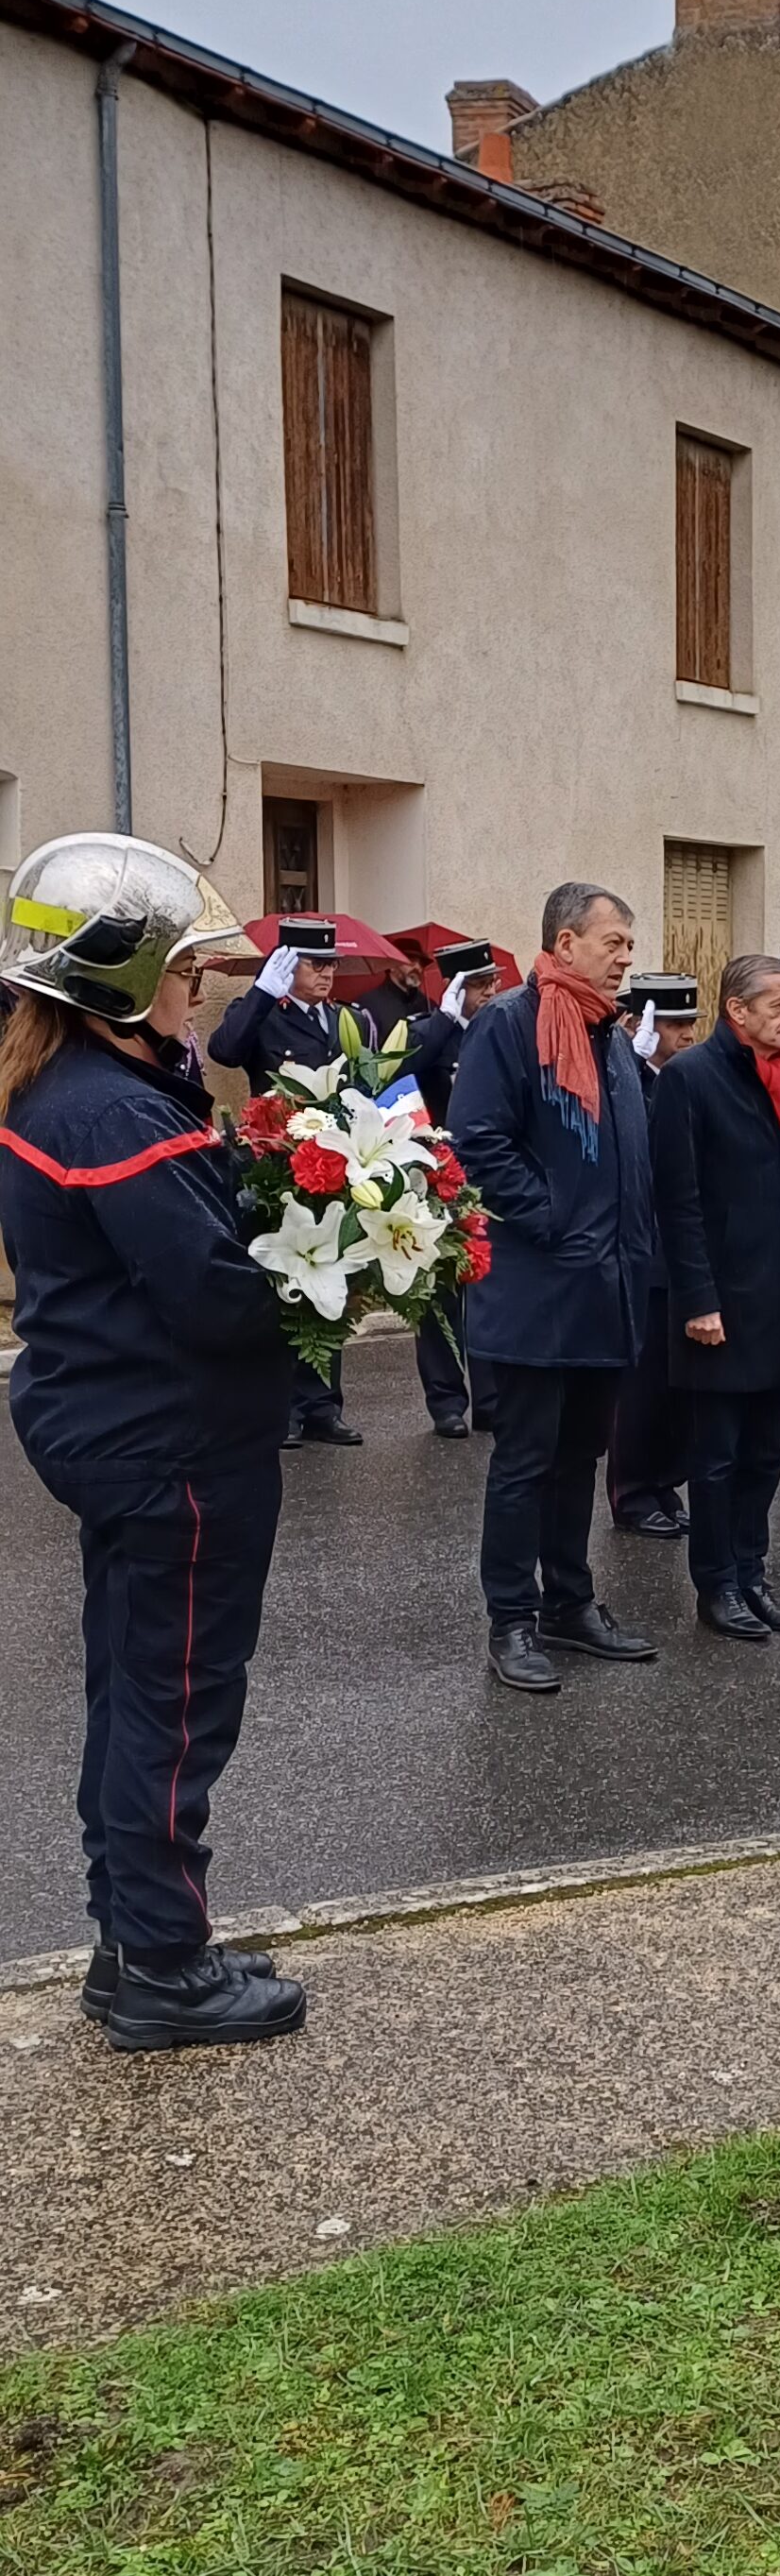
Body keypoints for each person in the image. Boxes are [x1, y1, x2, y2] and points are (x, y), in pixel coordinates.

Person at [0, 838, 305, 2053]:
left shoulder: (73, 1084)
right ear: (119, 978)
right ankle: (165, 1972)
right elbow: (217, 1298)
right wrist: (329, 1274)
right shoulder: (115, 1108)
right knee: (174, 1712)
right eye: (184, 971)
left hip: (121, 1434)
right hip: (172, 1446)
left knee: (134, 1696)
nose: (198, 991)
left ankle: (131, 1939)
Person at [447, 880, 656, 1689]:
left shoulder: (608, 1034)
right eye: (614, 943)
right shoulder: (509, 1023)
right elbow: (478, 1143)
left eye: (629, 945)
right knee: (526, 1461)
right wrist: (556, 1220)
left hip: (606, 1287)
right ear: (565, 944)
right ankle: (512, 1618)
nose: (626, 958)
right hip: (539, 1287)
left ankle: (570, 1603)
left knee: (580, 1456)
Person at [653, 950, 780, 1645]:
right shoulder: (689, 1078)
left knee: (765, 1454)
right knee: (717, 1458)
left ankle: (752, 1574)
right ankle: (716, 1584)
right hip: (720, 1302)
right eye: (779, 1004)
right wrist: (697, 1299)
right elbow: (678, 1200)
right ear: (737, 1010)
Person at [211, 921, 361, 1447]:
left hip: (331, 1165)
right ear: (287, 967)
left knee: (328, 1280)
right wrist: (260, 993)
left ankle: (322, 1406)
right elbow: (226, 1051)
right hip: (277, 1163)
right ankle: (283, 1408)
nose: (327, 974)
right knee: (281, 1285)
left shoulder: (343, 1019)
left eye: (332, 964)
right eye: (315, 964)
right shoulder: (263, 1014)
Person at [607, 972, 699, 1537]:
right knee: (641, 1386)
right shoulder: (627, 1079)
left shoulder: (687, 1079)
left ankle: (666, 1480)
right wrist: (634, 1064)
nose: (686, 1034)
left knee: (677, 1382)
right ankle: (633, 1490)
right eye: (673, 1023)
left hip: (685, 1248)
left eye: (690, 1022)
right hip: (643, 1248)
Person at [401, 941, 500, 1438]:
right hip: (435, 1180)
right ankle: (445, 1401)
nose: (489, 994)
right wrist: (444, 1019)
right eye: (478, 986)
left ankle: (490, 1399)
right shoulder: (427, 1032)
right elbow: (398, 1070)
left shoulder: (498, 1033)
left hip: (487, 1180)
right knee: (438, 1296)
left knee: (487, 1293)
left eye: (492, 984)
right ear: (454, 988)